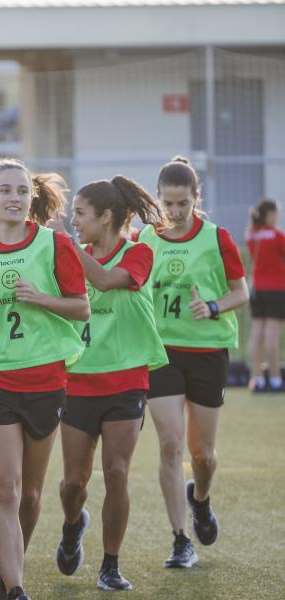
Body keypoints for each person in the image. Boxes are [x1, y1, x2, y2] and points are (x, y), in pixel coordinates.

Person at [0, 158, 89, 600]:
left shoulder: (54, 244)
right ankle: (16, 587)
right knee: (3, 490)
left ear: (31, 198)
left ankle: (6, 574)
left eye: (22, 191)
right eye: (5, 191)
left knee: (28, 496)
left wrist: (42, 298)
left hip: (45, 379)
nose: (14, 198)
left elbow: (81, 306)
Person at [137, 156, 248, 569]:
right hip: (162, 352)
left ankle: (200, 497)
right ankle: (181, 539)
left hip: (207, 352)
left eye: (183, 203)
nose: (175, 212)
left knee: (203, 454)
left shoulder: (217, 238)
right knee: (170, 444)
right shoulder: (146, 238)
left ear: (196, 198)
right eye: (168, 203)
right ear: (159, 199)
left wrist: (215, 306)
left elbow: (242, 292)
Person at [58, 176, 166, 591]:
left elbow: (104, 280)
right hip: (78, 381)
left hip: (127, 381)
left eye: (80, 214)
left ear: (106, 217)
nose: (74, 222)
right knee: (72, 483)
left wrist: (64, 246)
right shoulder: (73, 254)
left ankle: (110, 565)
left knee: (117, 472)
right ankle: (72, 526)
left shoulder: (139, 253)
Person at [245, 198, 285, 392]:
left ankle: (257, 379)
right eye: (276, 213)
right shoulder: (278, 236)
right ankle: (276, 379)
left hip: (257, 289)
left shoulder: (251, 235)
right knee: (271, 336)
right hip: (277, 289)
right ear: (269, 214)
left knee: (256, 334)